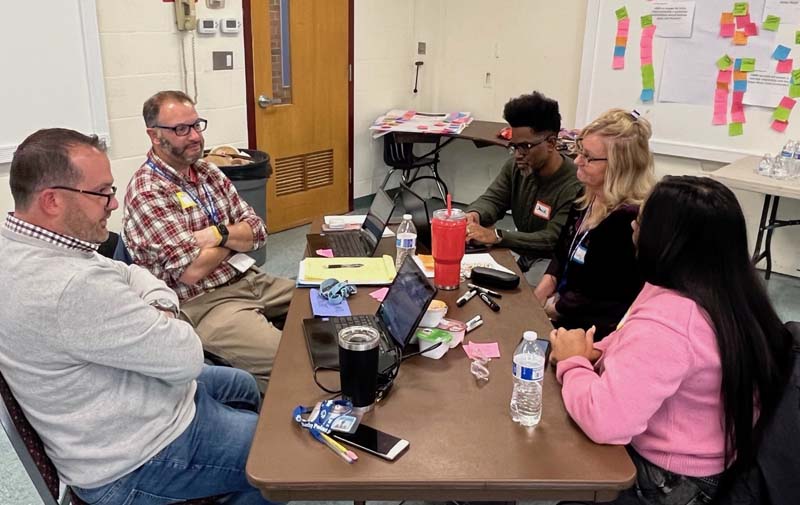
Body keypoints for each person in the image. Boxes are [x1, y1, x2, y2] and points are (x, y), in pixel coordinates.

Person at [0, 128, 273, 504]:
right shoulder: (70, 286)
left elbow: (129, 272)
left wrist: (154, 307)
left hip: (119, 399)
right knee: (278, 458)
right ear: (52, 201)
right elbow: (187, 357)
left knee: (241, 384)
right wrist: (163, 310)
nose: (113, 204)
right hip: (134, 458)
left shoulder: (30, 242)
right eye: (102, 192)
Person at [550, 176, 795, 505]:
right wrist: (598, 352)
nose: (634, 224)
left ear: (667, 238)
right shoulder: (726, 290)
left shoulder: (671, 322)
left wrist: (572, 362)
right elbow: (631, 341)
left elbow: (605, 422)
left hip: (675, 478)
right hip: (716, 455)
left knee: (556, 450)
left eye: (643, 218)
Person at [123, 90, 294, 391]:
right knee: (293, 359)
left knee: (328, 308)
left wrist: (218, 234)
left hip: (248, 277)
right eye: (180, 129)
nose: (194, 137)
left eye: (196, 125)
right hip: (204, 303)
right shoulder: (148, 191)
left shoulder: (207, 171)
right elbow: (191, 271)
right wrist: (233, 238)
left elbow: (258, 230)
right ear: (154, 135)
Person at [534, 109, 653, 340]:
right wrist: (542, 290)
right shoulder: (586, 195)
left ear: (620, 165)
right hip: (563, 309)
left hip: (594, 331)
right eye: (579, 152)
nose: (577, 161)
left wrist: (551, 309)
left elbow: (603, 295)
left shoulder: (628, 220)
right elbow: (562, 251)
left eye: (588, 157)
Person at [465, 91, 582, 282]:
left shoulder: (575, 184)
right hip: (520, 249)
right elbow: (493, 199)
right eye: (514, 146)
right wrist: (475, 214)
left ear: (551, 143)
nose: (518, 154)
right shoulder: (516, 167)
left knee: (525, 300)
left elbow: (551, 239)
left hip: (551, 260)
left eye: (525, 146)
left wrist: (497, 236)